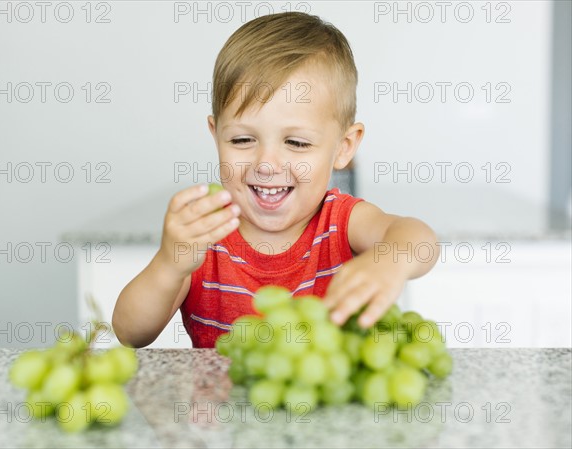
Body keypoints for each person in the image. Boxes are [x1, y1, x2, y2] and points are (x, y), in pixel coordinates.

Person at [112, 12, 439, 348]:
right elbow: (130, 332)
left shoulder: (342, 222)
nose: (267, 164)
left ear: (344, 148)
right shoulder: (206, 233)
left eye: (296, 143)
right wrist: (169, 264)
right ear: (216, 135)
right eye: (242, 140)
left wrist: (387, 264)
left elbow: (421, 240)